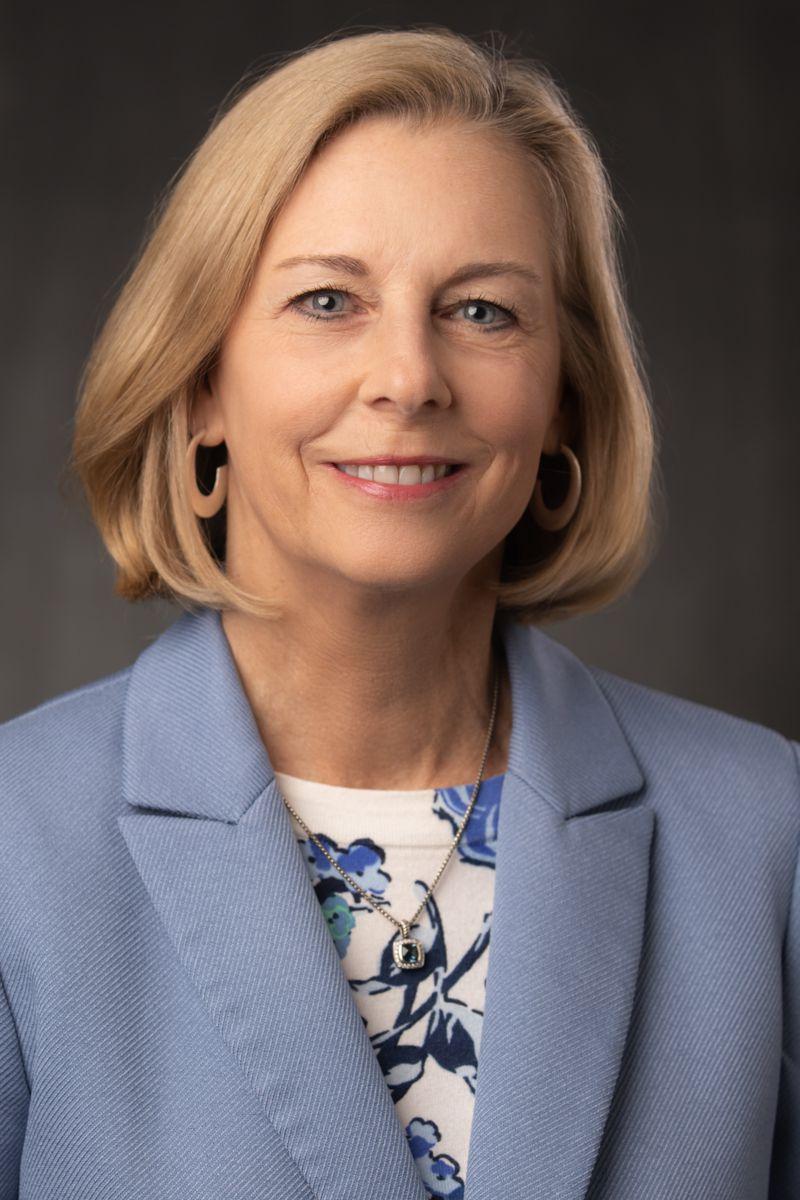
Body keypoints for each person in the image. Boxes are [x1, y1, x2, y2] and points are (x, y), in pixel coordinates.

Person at [0, 24, 797, 1200]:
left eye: (481, 312)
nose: (408, 378)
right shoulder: (15, 840)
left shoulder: (765, 837)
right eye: (328, 300)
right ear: (200, 384)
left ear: (564, 402)